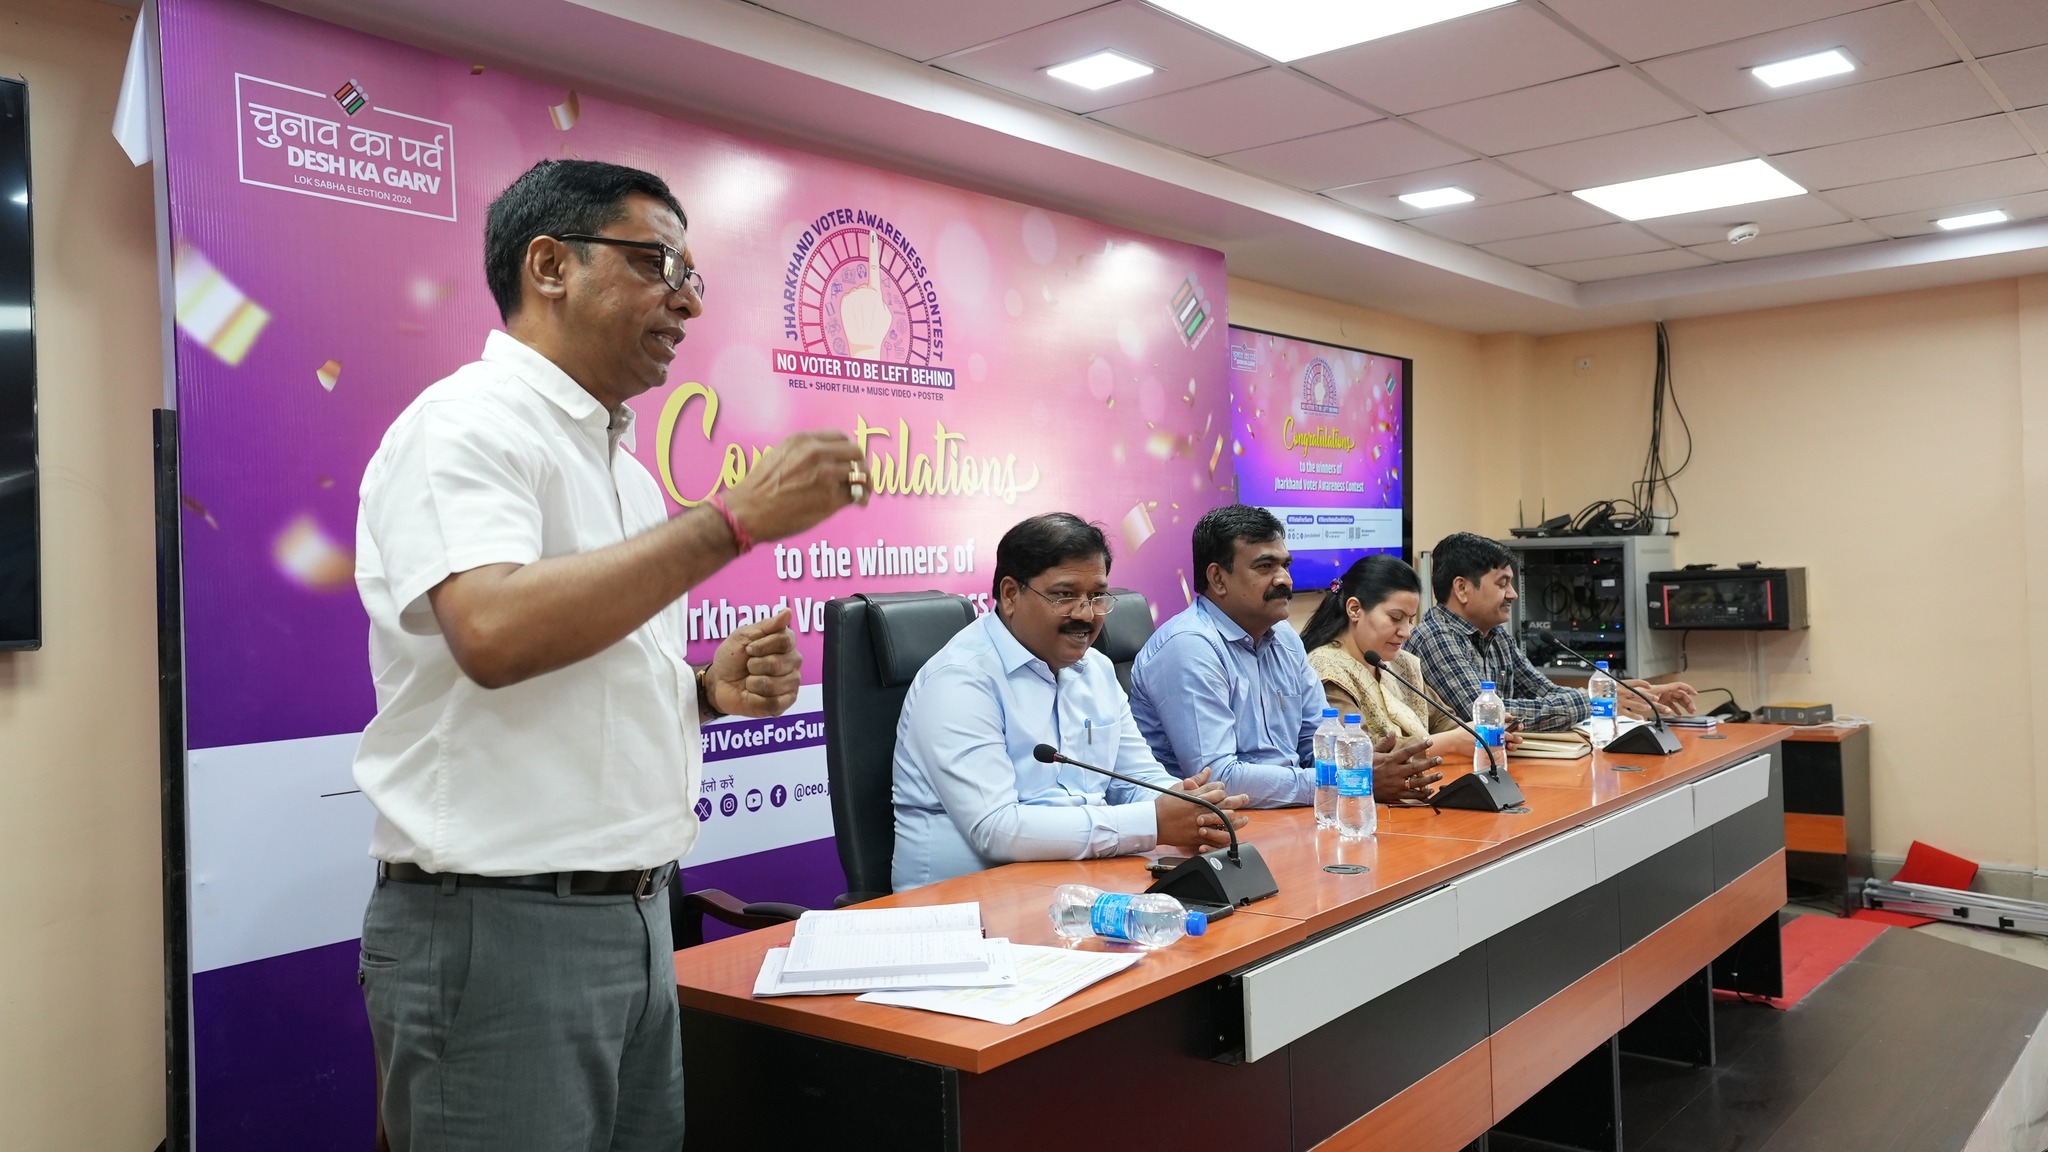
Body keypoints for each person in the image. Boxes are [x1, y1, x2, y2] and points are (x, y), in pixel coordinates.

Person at [351, 159, 871, 1152]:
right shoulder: (463, 425)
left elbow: (585, 671)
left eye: (691, 276)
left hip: (635, 915)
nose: (686, 301)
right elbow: (493, 633)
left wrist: (704, 691)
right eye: (656, 263)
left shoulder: (624, 471)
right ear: (549, 265)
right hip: (501, 930)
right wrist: (733, 521)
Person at [892, 513, 1250, 890]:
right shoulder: (960, 679)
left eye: (1097, 596)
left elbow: (1137, 779)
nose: (1085, 614)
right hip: (968, 899)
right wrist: (1154, 823)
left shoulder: (1096, 669)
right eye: (1065, 595)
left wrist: (1190, 807)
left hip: (1079, 882)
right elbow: (996, 828)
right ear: (1011, 594)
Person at [1130, 505, 1442, 807]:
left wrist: (1358, 763)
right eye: (1265, 567)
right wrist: (1344, 779)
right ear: (1218, 579)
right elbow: (1219, 778)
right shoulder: (1190, 646)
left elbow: (1316, 740)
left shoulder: (1284, 638)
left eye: (1285, 566)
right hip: (1218, 823)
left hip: (1294, 809)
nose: (1284, 580)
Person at [1408, 532, 1697, 732]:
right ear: (1462, 588)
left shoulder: (1496, 636)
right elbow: (1487, 715)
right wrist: (1595, 701)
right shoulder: (1436, 637)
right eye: (1502, 584)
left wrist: (1635, 695)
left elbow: (1545, 691)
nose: (1513, 594)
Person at [1301, 554, 1478, 762]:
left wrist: (1479, 733)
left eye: (1410, 620)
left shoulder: (1399, 662)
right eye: (1396, 618)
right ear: (1354, 609)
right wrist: (1451, 742)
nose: (1406, 632)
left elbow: (1442, 721)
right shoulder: (1325, 669)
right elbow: (1358, 749)